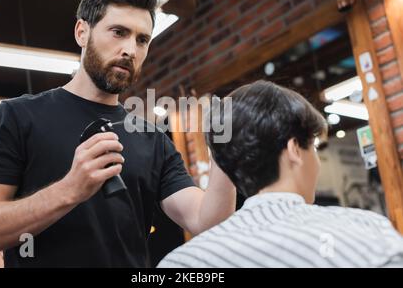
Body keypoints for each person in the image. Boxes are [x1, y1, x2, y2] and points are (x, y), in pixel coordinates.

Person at [0, 0, 235, 267]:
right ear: (82, 32)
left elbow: (207, 221)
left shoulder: (151, 140)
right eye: (119, 32)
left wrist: (226, 152)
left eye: (142, 40)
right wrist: (69, 189)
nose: (130, 49)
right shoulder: (17, 117)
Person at [158, 80, 403, 268]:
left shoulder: (184, 263)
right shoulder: (366, 232)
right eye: (313, 147)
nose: (316, 163)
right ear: (294, 149)